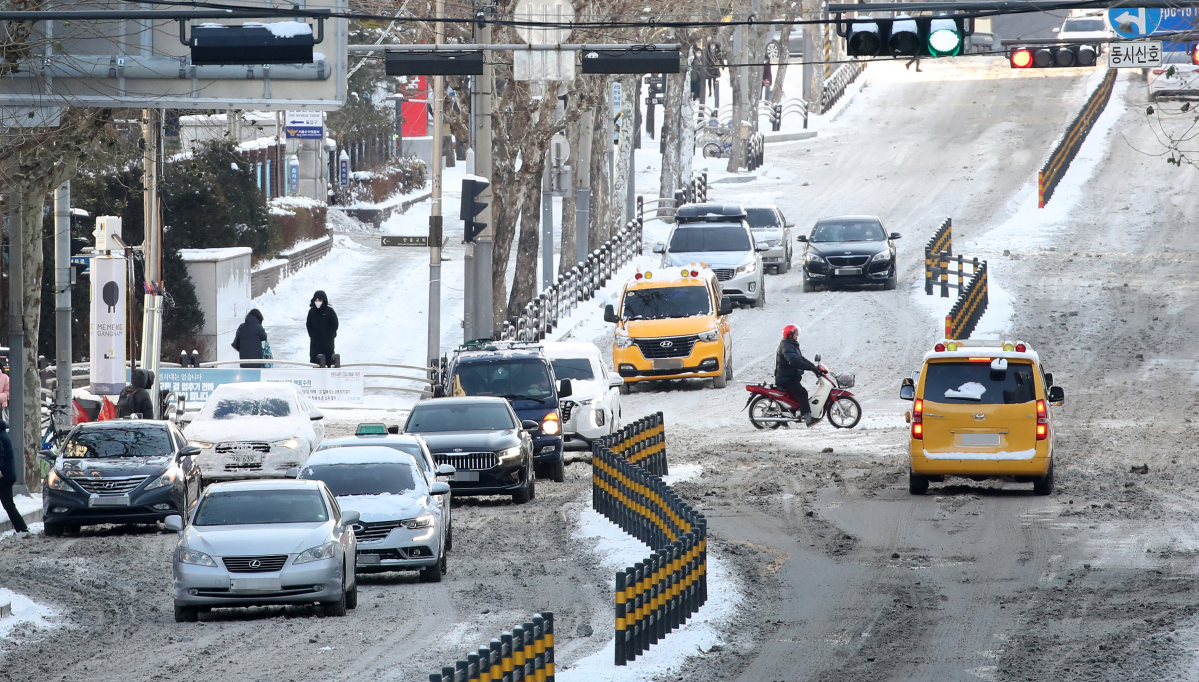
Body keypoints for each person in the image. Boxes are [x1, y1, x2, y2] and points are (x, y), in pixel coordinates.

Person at [775, 324, 820, 427]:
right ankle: (808, 419)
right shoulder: (787, 346)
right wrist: (811, 368)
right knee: (802, 393)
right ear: (790, 335)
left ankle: (789, 415)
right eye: (796, 333)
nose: (798, 335)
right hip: (786, 379)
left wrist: (813, 367)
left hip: (790, 378)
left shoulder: (791, 345)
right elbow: (794, 361)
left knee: (797, 395)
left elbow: (801, 359)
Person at [0, 419, 30, 538]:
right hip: (7, 474)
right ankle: (22, 529)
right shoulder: (3, 432)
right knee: (8, 504)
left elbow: (0, 453)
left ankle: (23, 529)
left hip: (3, 475)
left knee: (8, 504)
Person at [306, 290, 339, 366]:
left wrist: (330, 335)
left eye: (319, 300)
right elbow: (309, 325)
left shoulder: (329, 311)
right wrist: (312, 335)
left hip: (327, 343)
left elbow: (334, 324)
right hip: (315, 343)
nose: (317, 302)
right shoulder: (311, 312)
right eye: (316, 300)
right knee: (316, 361)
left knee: (328, 360)